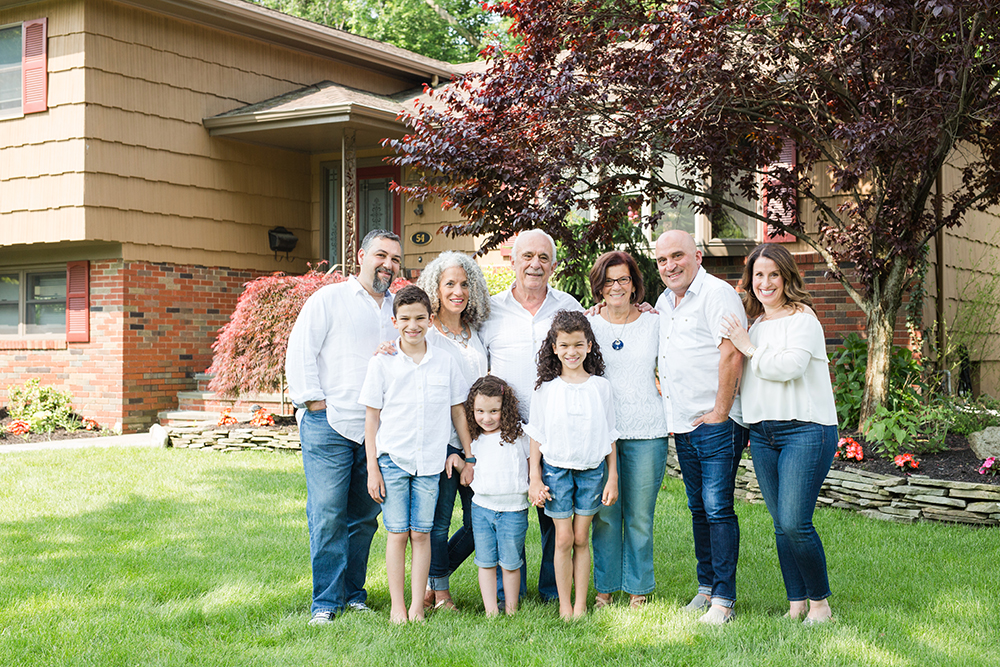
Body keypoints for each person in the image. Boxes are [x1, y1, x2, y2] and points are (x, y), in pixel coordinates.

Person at [285, 229, 402, 625]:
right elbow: (300, 350)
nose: (388, 265)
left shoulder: (398, 309)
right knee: (328, 514)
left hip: (377, 433)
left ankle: (353, 593)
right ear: (361, 256)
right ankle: (325, 602)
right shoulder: (328, 299)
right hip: (329, 425)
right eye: (381, 255)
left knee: (365, 517)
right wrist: (314, 403)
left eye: (396, 260)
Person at [721, 244, 838, 625]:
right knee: (780, 524)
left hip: (806, 430)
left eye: (773, 274)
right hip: (765, 433)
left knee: (794, 521)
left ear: (787, 277)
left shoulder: (803, 319)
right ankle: (796, 604)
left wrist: (748, 347)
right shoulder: (755, 323)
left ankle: (820, 604)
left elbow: (789, 367)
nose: (766, 282)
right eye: (758, 275)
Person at [479, 229, 584, 603]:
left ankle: (553, 590)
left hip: (554, 430)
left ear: (553, 265)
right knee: (503, 508)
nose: (534, 264)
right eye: (527, 256)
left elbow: (588, 344)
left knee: (553, 512)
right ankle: (513, 591)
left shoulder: (568, 306)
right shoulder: (489, 310)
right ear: (513, 261)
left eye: (543, 258)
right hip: (502, 432)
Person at [358, 285, 473, 623]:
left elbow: (457, 412)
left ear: (430, 320)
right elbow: (371, 418)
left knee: (422, 533)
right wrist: (372, 468)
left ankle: (417, 606)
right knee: (397, 533)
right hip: (392, 460)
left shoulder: (445, 362)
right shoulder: (382, 362)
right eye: (405, 318)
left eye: (420, 318)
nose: (413, 325)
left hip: (430, 463)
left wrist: (469, 456)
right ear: (394, 321)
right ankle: (398, 607)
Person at [654, 230, 748, 625]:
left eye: (678, 256)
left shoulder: (717, 293)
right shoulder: (663, 301)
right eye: (662, 260)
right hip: (685, 422)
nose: (670, 265)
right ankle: (706, 587)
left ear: (697, 255)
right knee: (698, 508)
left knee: (717, 507)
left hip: (716, 422)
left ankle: (723, 600)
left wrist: (720, 412)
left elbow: (731, 353)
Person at [587, 251, 670, 609]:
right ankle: (604, 587)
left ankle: (638, 588)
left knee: (639, 515)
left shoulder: (656, 322)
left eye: (623, 279)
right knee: (605, 515)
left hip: (647, 429)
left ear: (635, 284)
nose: (616, 286)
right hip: (602, 432)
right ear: (598, 287)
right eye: (608, 280)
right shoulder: (588, 323)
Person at [526, 310, 619, 620]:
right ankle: (565, 606)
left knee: (581, 538)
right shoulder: (546, 389)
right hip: (556, 470)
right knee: (563, 538)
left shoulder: (600, 387)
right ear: (554, 347)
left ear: (589, 346)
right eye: (564, 346)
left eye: (578, 345)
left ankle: (581, 604)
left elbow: (610, 435)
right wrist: (535, 477)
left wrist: (612, 477)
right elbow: (536, 436)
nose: (572, 352)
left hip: (592, 470)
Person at [415, 252, 491, 612]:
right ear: (435, 288)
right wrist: (453, 450)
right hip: (444, 443)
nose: (458, 291)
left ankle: (430, 578)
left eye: (464, 284)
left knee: (481, 522)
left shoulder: (476, 331)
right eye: (450, 284)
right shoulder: (426, 333)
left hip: (480, 441)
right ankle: (441, 592)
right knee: (439, 521)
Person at [465, 375, 530, 617]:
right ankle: (491, 610)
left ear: (506, 408)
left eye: (494, 411)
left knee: (511, 563)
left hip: (514, 509)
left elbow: (532, 462)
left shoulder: (519, 435)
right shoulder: (473, 437)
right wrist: (456, 460)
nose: (487, 418)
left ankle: (511, 609)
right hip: (482, 508)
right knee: (485, 562)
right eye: (480, 411)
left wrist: (537, 483)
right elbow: (469, 466)